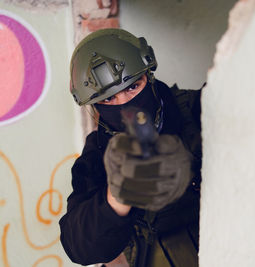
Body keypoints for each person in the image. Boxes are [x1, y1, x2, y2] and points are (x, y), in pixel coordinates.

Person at [59, 28, 202, 267]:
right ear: (94, 105)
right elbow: (79, 247)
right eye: (108, 99)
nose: (124, 104)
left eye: (133, 87)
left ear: (149, 77)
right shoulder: (98, 156)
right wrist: (116, 199)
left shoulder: (198, 111)